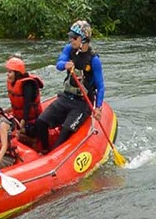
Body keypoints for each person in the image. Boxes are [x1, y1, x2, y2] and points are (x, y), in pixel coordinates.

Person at [32, 19, 105, 152]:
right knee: (41, 122)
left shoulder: (94, 60)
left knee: (66, 131)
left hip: (82, 103)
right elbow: (59, 63)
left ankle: (55, 154)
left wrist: (98, 108)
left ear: (83, 40)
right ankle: (45, 150)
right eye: (70, 36)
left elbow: (100, 86)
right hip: (66, 97)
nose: (71, 40)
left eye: (74, 38)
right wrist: (65, 64)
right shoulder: (69, 49)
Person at [4, 56, 44, 136]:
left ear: (17, 73)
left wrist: (20, 126)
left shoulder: (28, 85)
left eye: (10, 72)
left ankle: (33, 141)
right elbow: (17, 104)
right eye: (8, 72)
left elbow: (27, 106)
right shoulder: (14, 82)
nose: (8, 75)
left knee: (14, 132)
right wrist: (5, 111)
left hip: (32, 121)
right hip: (18, 117)